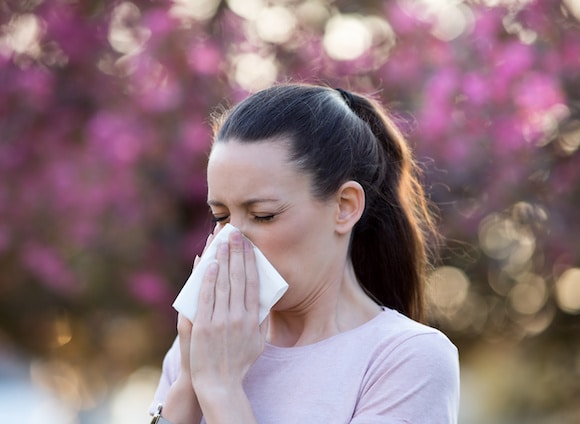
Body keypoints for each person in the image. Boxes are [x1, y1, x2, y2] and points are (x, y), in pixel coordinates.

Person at [149, 83, 460, 423]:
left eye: (263, 215)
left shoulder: (406, 359)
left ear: (344, 207)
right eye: (221, 217)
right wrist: (191, 382)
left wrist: (222, 391)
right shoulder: (203, 347)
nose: (231, 241)